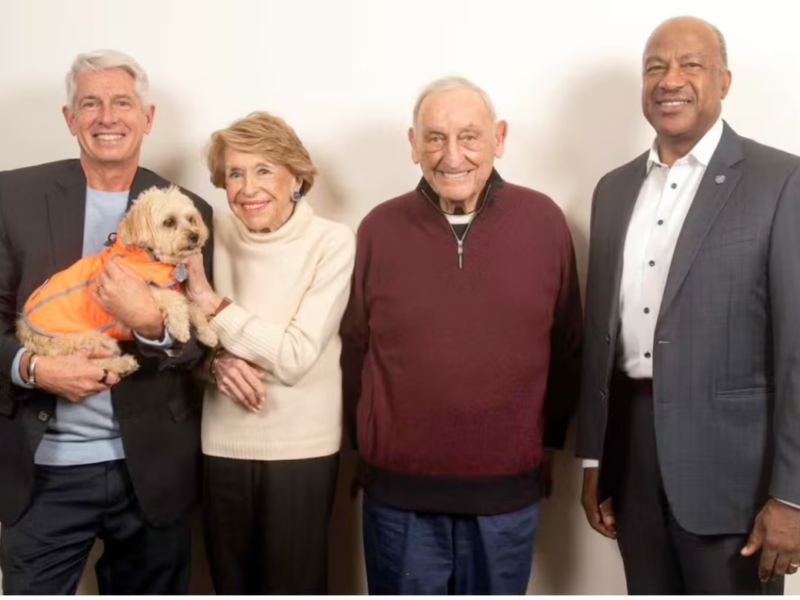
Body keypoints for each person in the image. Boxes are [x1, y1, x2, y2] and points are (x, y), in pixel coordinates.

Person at [577, 16, 800, 594]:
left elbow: (797, 349)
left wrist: (792, 494)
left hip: (736, 480)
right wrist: (594, 458)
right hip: (631, 460)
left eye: (690, 65)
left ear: (724, 81)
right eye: (655, 67)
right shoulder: (612, 189)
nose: (669, 80)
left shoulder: (781, 180)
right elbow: (601, 335)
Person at [340, 76, 582, 595]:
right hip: (399, 497)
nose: (452, 155)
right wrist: (361, 448)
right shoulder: (378, 228)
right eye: (435, 138)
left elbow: (567, 344)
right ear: (413, 144)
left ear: (499, 137)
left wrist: (548, 445)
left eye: (469, 136)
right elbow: (354, 350)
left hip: (505, 495)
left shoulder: (543, 221)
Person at [0, 50, 213, 594]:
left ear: (148, 117)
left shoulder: (190, 210)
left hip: (151, 472)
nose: (107, 117)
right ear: (70, 119)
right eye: (90, 104)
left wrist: (151, 323)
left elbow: (197, 346)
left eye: (122, 102)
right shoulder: (11, 196)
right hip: (43, 470)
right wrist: (33, 367)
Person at [183, 111, 355, 595]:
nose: (247, 188)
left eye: (263, 170)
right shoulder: (208, 233)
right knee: (229, 586)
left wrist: (213, 303)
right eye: (235, 173)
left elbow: (295, 356)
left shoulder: (332, 242)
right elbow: (184, 341)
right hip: (220, 445)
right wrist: (213, 363)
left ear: (296, 178)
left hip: (302, 450)